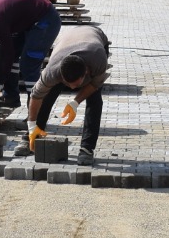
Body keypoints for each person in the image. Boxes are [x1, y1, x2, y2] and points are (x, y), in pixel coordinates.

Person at [22, 25, 111, 166]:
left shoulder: (98, 61)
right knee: (48, 95)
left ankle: (87, 149)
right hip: (65, 43)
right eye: (67, 84)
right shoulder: (52, 72)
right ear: (61, 75)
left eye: (76, 85)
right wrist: (31, 125)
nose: (72, 88)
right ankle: (30, 137)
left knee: (95, 100)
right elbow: (36, 96)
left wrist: (75, 102)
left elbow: (94, 85)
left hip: (95, 38)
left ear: (86, 72)